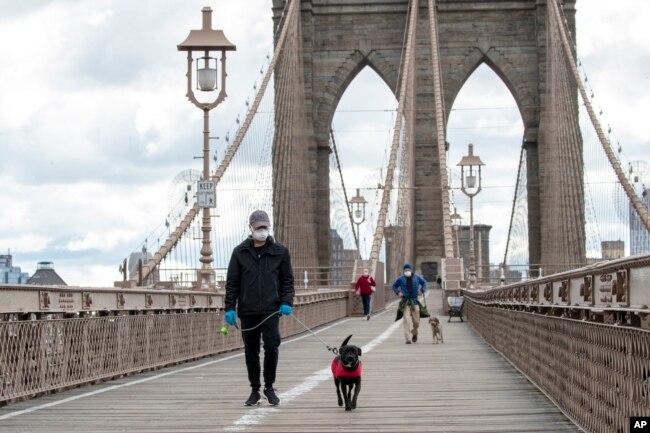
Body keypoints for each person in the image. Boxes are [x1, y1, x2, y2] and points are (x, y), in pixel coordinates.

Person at [224, 210, 295, 406]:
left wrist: (287, 302)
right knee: (251, 351)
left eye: (265, 227)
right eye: (258, 227)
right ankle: (255, 389)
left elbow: (287, 280)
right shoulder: (239, 253)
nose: (262, 231)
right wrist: (229, 307)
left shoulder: (280, 252)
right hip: (247, 310)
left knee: (272, 345)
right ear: (251, 228)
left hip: (272, 310)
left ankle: (269, 387)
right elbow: (232, 283)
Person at [392, 263, 427, 344]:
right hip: (405, 302)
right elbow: (394, 286)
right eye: (406, 270)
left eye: (408, 270)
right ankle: (407, 338)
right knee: (406, 320)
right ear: (404, 271)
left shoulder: (417, 277)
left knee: (416, 321)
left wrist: (422, 290)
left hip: (415, 301)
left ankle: (414, 332)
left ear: (411, 270)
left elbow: (424, 283)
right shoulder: (400, 279)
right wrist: (398, 292)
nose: (407, 271)